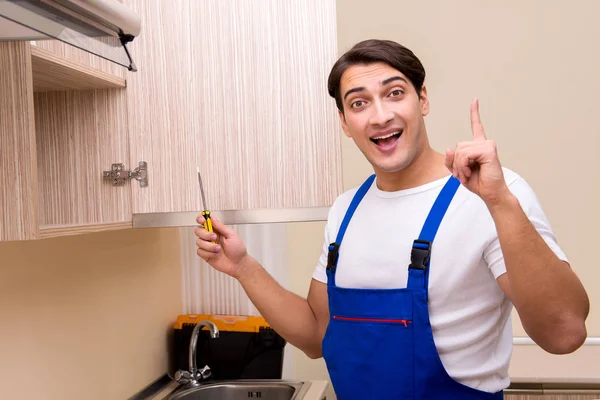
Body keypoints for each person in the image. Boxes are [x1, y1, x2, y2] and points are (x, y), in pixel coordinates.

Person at [194, 39, 589, 399]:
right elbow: (316, 334)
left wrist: (500, 202)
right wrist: (243, 267)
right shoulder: (346, 210)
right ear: (345, 124)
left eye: (394, 93)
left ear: (423, 100)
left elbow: (564, 333)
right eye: (359, 102)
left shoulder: (491, 195)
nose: (379, 115)